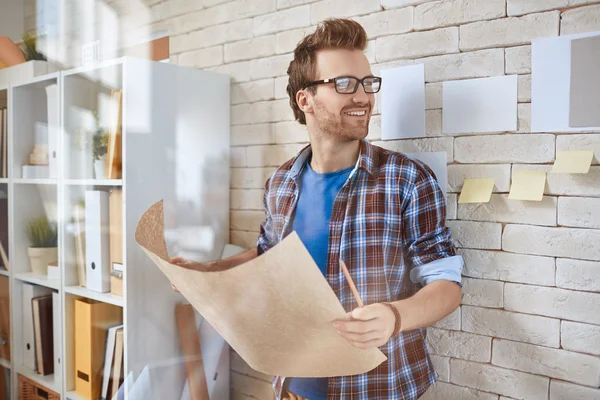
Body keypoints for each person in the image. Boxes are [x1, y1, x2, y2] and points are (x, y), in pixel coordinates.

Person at [171, 18, 463, 400]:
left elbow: (447, 285)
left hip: (377, 387)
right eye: (343, 83)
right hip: (294, 385)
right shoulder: (281, 183)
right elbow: (267, 255)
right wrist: (208, 271)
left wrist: (394, 318)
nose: (362, 97)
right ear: (304, 99)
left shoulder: (407, 180)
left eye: (367, 83)